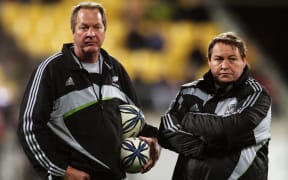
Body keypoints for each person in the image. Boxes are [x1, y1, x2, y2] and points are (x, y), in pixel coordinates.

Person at [17, 2, 161, 180]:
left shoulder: (116, 69)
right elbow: (29, 127)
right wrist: (63, 170)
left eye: (97, 27)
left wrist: (153, 139)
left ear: (104, 31)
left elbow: (135, 120)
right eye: (84, 27)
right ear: (73, 30)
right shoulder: (51, 70)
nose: (91, 33)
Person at [158, 32, 271, 180]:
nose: (224, 65)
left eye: (232, 59)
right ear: (209, 62)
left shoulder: (256, 95)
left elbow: (228, 129)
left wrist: (187, 119)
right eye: (218, 59)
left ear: (243, 61)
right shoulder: (190, 91)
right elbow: (166, 131)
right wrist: (201, 148)